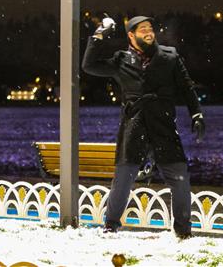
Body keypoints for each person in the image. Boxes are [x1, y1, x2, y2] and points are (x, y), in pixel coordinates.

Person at [82, 15, 205, 239]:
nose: (149, 32)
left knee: (179, 177)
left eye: (150, 28)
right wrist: (99, 35)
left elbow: (187, 87)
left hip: (163, 124)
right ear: (131, 35)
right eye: (142, 30)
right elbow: (89, 66)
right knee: (123, 178)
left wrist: (196, 113)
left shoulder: (169, 56)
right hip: (134, 125)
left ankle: (183, 230)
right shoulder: (121, 60)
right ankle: (110, 226)